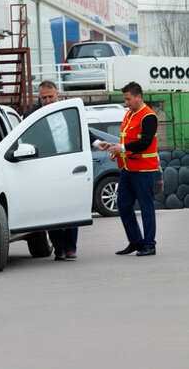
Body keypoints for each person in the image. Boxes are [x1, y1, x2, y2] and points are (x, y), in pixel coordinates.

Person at [24, 80, 108, 261]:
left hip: (70, 166)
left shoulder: (69, 112)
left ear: (57, 94)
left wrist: (96, 143)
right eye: (44, 98)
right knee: (51, 210)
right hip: (46, 169)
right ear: (39, 97)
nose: (47, 101)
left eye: (50, 97)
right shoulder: (31, 116)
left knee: (72, 207)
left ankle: (70, 248)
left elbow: (82, 130)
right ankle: (59, 248)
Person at [100, 82, 159, 257]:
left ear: (138, 97)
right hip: (128, 168)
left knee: (146, 208)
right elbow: (127, 139)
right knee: (123, 205)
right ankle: (135, 241)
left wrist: (123, 148)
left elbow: (145, 142)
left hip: (144, 169)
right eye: (125, 99)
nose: (126, 103)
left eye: (128, 99)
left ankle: (149, 244)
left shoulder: (148, 116)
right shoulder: (129, 114)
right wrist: (117, 150)